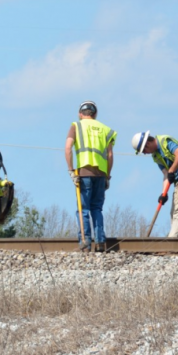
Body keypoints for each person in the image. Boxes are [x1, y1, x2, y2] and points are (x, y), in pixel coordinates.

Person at [65, 101, 116, 251]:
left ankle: (85, 243)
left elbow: (68, 148)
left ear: (81, 114)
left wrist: (70, 170)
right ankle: (100, 242)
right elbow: (110, 155)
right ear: (95, 114)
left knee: (83, 209)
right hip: (101, 174)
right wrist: (107, 175)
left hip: (83, 174)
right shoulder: (106, 130)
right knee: (97, 208)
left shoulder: (77, 126)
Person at [131, 131, 178, 237]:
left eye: (144, 150)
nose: (145, 153)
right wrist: (163, 194)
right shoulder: (156, 155)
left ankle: (174, 241)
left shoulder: (165, 142)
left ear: (147, 143)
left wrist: (172, 170)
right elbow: (166, 174)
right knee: (174, 213)